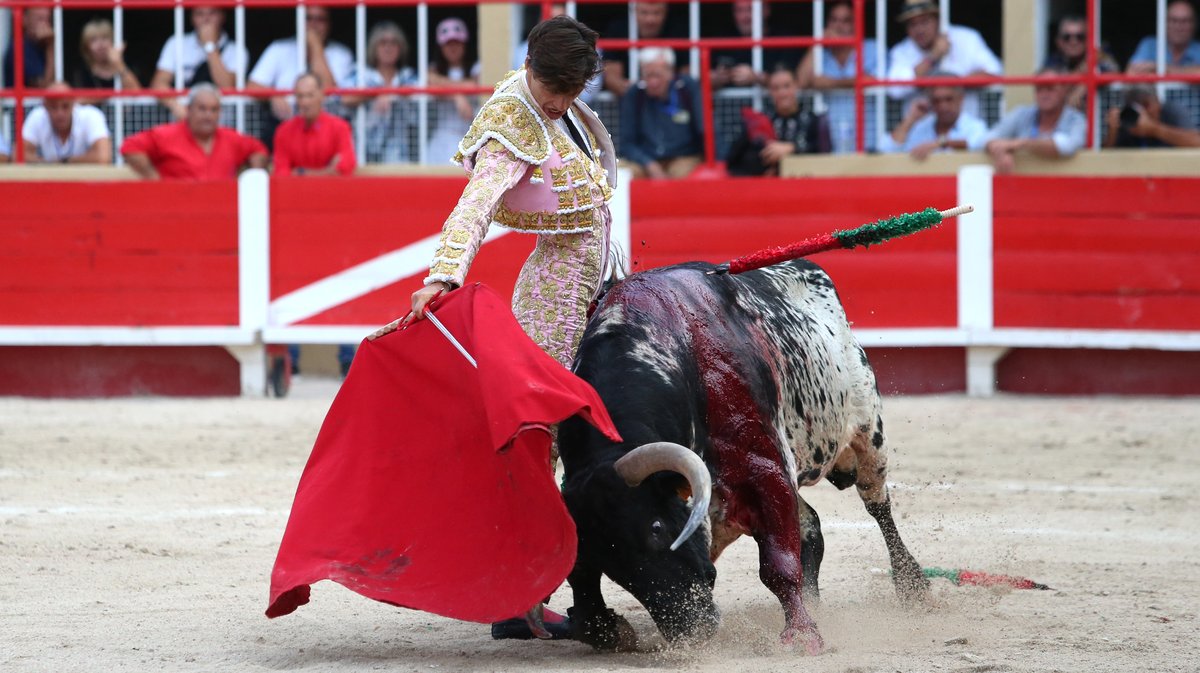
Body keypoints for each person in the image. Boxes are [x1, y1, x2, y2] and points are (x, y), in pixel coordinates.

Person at [380, 15, 614, 640]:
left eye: (572, 92)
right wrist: (444, 275)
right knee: (541, 438)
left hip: (591, 278)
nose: (564, 104)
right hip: (557, 294)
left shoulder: (549, 100)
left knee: (562, 432)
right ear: (537, 74)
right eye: (557, 92)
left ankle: (527, 593)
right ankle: (518, 600)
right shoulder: (513, 121)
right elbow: (475, 205)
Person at [249, 5, 354, 143]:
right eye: (308, 19)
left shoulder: (341, 54)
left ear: (329, 24)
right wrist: (273, 94)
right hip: (285, 122)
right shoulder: (279, 48)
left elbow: (329, 89)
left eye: (320, 19)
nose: (314, 25)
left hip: (325, 124)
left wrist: (315, 46)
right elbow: (252, 86)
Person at [121, 84, 268, 180]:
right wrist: (152, 177)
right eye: (202, 109)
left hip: (222, 212)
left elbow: (258, 150)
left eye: (214, 110)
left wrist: (253, 175)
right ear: (188, 110)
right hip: (177, 209)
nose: (208, 115)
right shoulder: (166, 134)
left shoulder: (231, 138)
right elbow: (129, 147)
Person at [885, 0, 1002, 117]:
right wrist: (933, 56)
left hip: (965, 128)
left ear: (938, 20)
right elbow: (895, 90)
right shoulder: (901, 51)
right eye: (912, 24)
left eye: (924, 22)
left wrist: (951, 84)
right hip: (921, 130)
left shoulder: (966, 38)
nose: (919, 30)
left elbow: (994, 72)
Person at [796, 0, 880, 152]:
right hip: (831, 143)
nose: (839, 26)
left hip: (869, 140)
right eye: (833, 20)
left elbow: (875, 81)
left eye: (846, 21)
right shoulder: (821, 55)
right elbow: (801, 82)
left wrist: (831, 83)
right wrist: (818, 43)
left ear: (857, 24)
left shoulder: (871, 48)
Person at [617, 47, 705, 179]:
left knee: (678, 176)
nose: (652, 82)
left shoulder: (687, 88)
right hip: (645, 159)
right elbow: (627, 143)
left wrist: (719, 162)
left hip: (684, 156)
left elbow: (706, 129)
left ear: (671, 72)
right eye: (648, 75)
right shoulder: (634, 94)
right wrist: (648, 163)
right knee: (619, 173)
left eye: (657, 75)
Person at [726, 68, 830, 176]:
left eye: (787, 86)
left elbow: (824, 154)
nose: (782, 93)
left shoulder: (813, 120)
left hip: (805, 185)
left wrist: (793, 149)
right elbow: (734, 161)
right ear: (770, 91)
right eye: (776, 88)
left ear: (796, 86)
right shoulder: (760, 121)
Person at [149, 5, 248, 119]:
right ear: (192, 18)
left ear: (222, 16)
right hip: (182, 120)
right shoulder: (176, 44)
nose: (206, 19)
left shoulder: (237, 50)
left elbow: (228, 87)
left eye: (212, 13)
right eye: (199, 14)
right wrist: (178, 107)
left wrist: (210, 47)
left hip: (221, 122)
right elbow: (158, 84)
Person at [982, 68, 1087, 174]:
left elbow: (1067, 146)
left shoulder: (1076, 120)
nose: (1044, 94)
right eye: (1039, 89)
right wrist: (1001, 152)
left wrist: (1019, 143)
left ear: (1064, 90)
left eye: (1050, 88)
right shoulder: (1022, 114)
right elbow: (987, 137)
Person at [342, 22, 418, 163]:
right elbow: (345, 98)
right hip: (362, 153)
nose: (388, 47)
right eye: (383, 43)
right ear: (374, 47)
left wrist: (391, 93)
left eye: (394, 43)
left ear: (401, 48)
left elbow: (419, 92)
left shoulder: (407, 75)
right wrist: (376, 93)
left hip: (398, 154)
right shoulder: (361, 74)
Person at [879, 74, 987, 159]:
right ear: (930, 102)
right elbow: (887, 150)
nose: (943, 106)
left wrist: (940, 143)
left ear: (961, 99)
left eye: (949, 99)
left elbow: (978, 144)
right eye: (936, 101)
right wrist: (910, 119)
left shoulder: (975, 126)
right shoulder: (921, 127)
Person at [272, 73, 356, 177]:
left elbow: (345, 167)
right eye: (300, 96)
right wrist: (328, 171)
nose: (305, 102)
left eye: (310, 95)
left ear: (322, 95)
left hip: (330, 191)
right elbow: (281, 173)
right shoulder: (283, 131)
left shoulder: (340, 127)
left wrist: (300, 173)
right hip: (296, 192)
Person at [513, 4, 600, 104]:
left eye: (562, 21)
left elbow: (589, 92)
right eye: (552, 20)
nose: (560, 106)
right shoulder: (524, 50)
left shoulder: (585, 50)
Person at [424, 17, 481, 164]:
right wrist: (457, 95)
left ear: (465, 44)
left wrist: (449, 89)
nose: (453, 47)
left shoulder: (477, 68)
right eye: (448, 44)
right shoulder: (433, 68)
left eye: (457, 43)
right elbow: (427, 81)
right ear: (440, 47)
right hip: (442, 140)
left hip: (471, 138)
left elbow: (475, 85)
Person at [603, 2, 689, 97]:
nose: (650, 19)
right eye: (644, 12)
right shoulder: (619, 29)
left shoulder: (679, 30)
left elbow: (687, 75)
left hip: (671, 100)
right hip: (630, 98)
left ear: (666, 12)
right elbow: (611, 77)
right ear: (634, 11)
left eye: (657, 13)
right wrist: (637, 94)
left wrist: (666, 90)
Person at [711, 0, 800, 90]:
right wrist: (715, 79)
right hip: (725, 103)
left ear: (766, 10)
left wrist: (757, 78)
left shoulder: (783, 40)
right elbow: (700, 79)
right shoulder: (721, 40)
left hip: (769, 103)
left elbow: (794, 82)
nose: (744, 17)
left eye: (750, 9)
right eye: (739, 10)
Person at [21, 82, 112, 164]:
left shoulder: (91, 115)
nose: (60, 113)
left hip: (85, 180)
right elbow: (18, 155)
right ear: (45, 106)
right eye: (54, 107)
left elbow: (103, 157)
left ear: (73, 103)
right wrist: (52, 164)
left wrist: (61, 162)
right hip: (50, 179)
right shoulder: (37, 116)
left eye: (65, 106)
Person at [1043, 14, 1117, 111]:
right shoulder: (1053, 60)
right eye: (1067, 37)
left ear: (1088, 40)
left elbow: (1113, 72)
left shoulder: (1100, 53)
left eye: (1080, 37)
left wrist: (1084, 85)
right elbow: (1053, 86)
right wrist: (1084, 73)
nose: (1073, 42)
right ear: (1058, 41)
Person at [1103, 85, 1200, 148]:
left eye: (1145, 105)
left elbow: (1196, 142)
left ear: (1157, 102)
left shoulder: (1171, 111)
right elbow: (1105, 160)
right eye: (1136, 105)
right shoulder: (1127, 117)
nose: (1142, 112)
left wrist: (1155, 130)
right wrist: (1112, 131)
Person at [72, 19, 142, 97]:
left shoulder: (128, 64)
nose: (100, 45)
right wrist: (110, 95)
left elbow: (136, 92)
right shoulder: (82, 71)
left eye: (105, 38)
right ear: (86, 46)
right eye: (93, 40)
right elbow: (79, 99)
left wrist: (119, 64)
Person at [1127, 0, 1200, 74]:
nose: (1179, 27)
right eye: (1173, 21)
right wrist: (1189, 72)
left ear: (1195, 24)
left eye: (1185, 21)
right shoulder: (1149, 45)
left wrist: (1159, 67)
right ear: (1163, 22)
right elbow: (1132, 72)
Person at [3, 5, 55, 88]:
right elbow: (43, 88)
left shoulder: (41, 46)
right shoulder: (19, 48)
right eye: (40, 19)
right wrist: (50, 47)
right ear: (24, 20)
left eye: (47, 20)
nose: (46, 25)